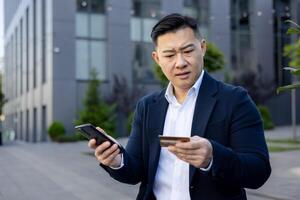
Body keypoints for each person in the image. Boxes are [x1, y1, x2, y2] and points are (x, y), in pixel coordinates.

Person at [88, 13, 271, 200]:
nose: (181, 63)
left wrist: (213, 157)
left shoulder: (234, 100)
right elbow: (136, 171)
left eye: (188, 51)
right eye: (169, 55)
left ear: (203, 47)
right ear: (157, 59)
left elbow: (258, 170)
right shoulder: (148, 106)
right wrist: (116, 160)